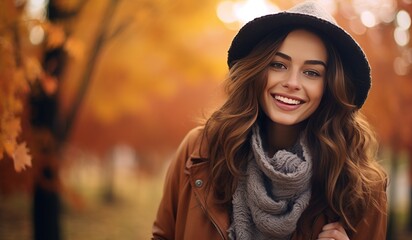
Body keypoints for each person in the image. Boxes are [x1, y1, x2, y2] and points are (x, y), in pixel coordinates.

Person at [152, 1, 388, 239]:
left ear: (329, 86)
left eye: (311, 72)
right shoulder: (200, 150)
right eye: (278, 65)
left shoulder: (362, 186)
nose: (292, 82)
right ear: (257, 71)